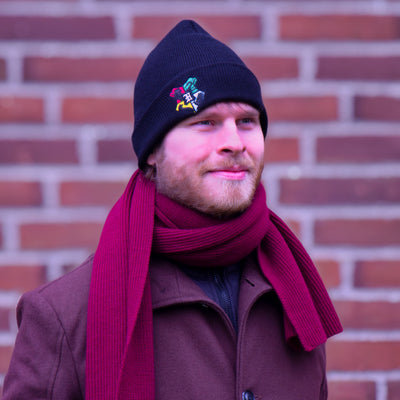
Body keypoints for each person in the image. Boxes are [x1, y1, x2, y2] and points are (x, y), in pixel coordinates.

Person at [2, 20, 342, 400]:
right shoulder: (64, 316)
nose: (234, 142)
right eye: (205, 122)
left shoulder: (294, 293)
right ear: (152, 151)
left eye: (247, 121)